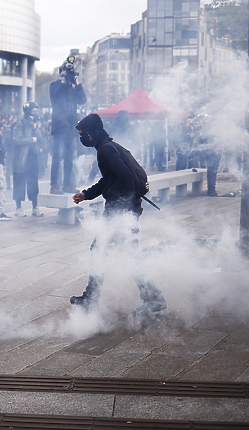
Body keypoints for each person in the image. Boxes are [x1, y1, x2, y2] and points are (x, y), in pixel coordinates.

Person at [71, 113, 166, 316]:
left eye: (83, 134)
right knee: (122, 252)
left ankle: (92, 298)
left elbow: (125, 177)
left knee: (102, 251)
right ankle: (151, 296)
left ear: (92, 132)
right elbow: (109, 180)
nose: (81, 139)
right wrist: (86, 194)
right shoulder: (109, 146)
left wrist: (127, 208)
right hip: (124, 208)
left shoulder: (105, 150)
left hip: (121, 209)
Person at [49, 62, 86, 194]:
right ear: (61, 72)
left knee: (69, 157)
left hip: (71, 127)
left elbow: (82, 100)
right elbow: (55, 98)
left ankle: (67, 184)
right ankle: (54, 185)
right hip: (59, 126)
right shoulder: (55, 85)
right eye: (65, 71)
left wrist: (77, 84)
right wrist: (63, 81)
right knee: (57, 156)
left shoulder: (73, 88)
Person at [11, 102, 43, 217]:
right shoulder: (19, 123)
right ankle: (18, 208)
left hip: (33, 159)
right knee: (19, 183)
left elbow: (40, 138)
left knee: (33, 183)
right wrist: (31, 139)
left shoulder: (33, 124)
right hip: (21, 160)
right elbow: (16, 140)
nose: (35, 113)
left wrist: (35, 129)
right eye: (33, 111)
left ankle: (35, 207)